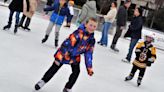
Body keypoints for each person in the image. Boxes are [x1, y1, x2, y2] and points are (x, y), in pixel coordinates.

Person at [34, 17, 98, 92]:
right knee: (54, 67)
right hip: (65, 53)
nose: (92, 28)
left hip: (75, 57)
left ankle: (68, 88)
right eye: (91, 25)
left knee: (76, 72)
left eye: (94, 26)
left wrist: (89, 67)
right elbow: (66, 45)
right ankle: (43, 81)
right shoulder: (78, 33)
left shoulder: (91, 40)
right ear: (86, 24)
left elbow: (88, 53)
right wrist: (59, 58)